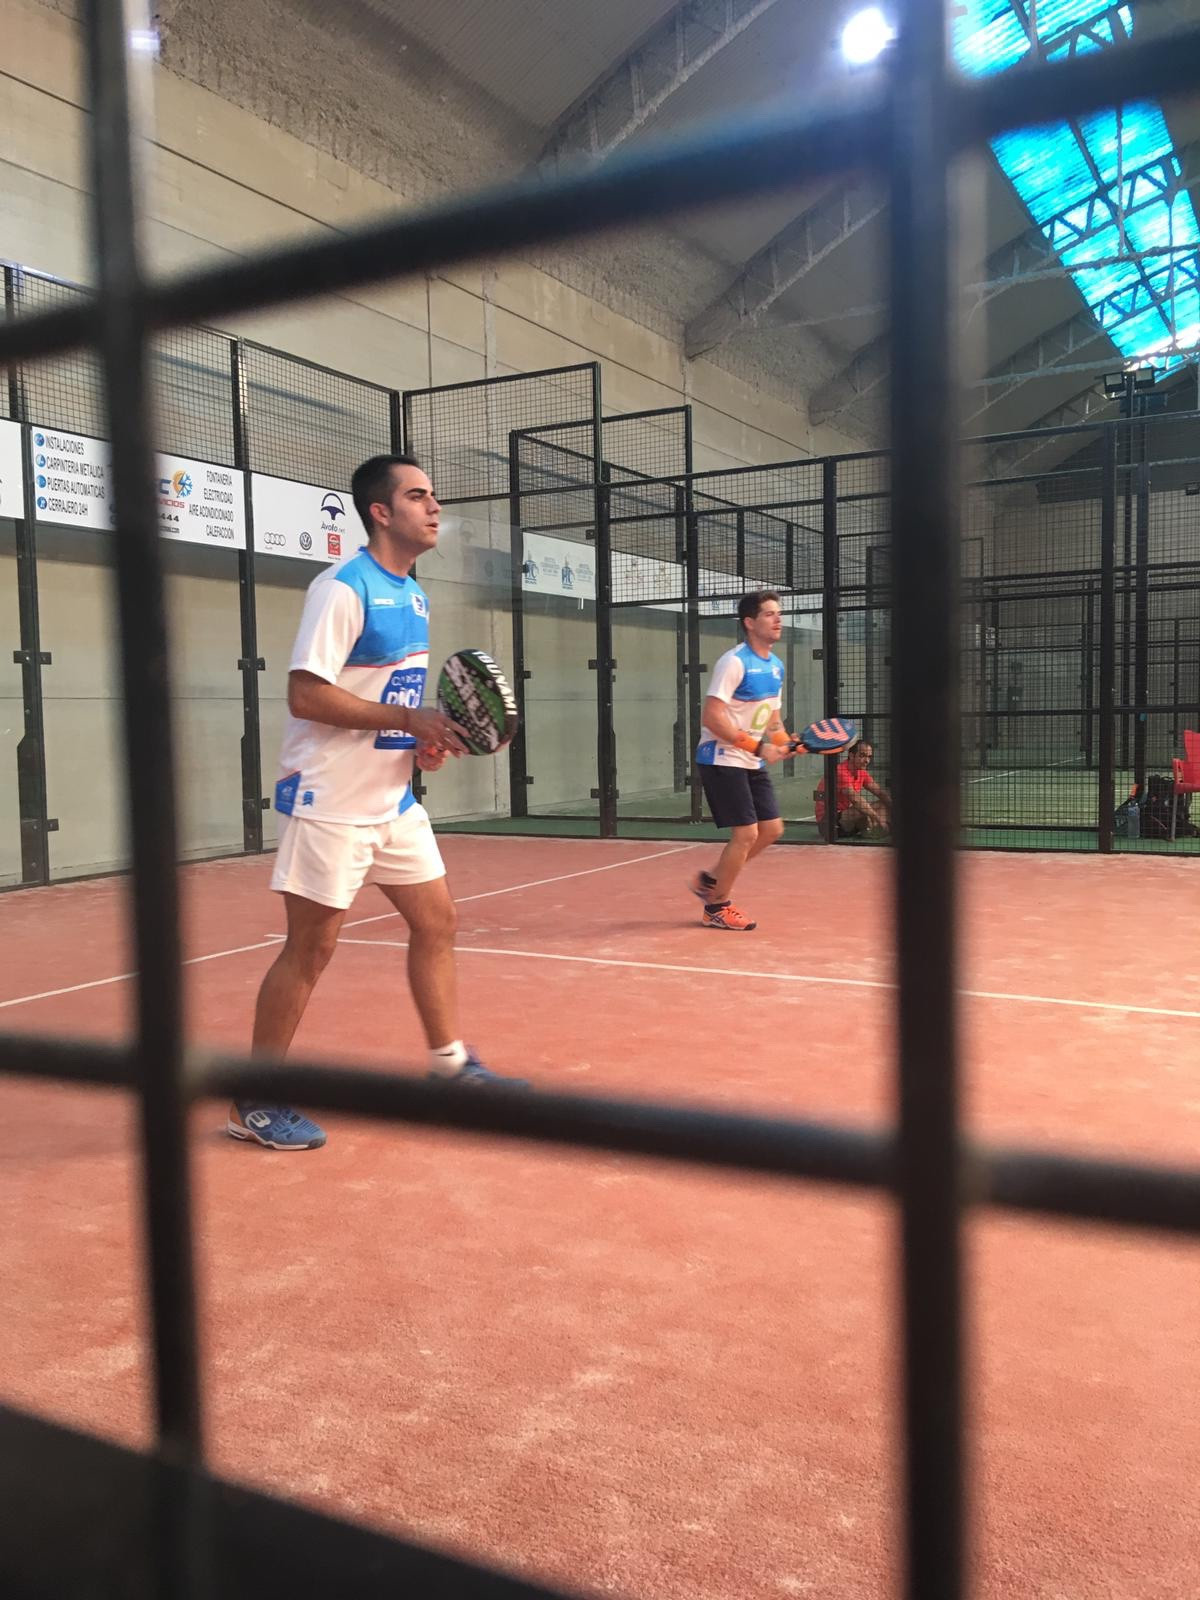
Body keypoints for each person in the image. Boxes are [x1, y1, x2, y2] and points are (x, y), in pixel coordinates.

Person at [229, 454, 526, 1152]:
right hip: (329, 800)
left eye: (434, 496)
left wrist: (418, 742)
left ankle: (448, 1067)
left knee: (438, 923)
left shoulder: (413, 594)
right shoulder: (343, 587)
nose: (434, 507)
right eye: (418, 496)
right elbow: (306, 694)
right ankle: (255, 1098)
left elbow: (390, 699)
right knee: (311, 948)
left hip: (391, 802)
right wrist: (407, 719)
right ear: (381, 512)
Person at [688, 590, 792, 931]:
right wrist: (759, 748)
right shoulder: (733, 662)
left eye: (778, 613)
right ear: (749, 622)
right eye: (769, 614)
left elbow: (773, 720)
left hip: (748, 758)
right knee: (746, 833)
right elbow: (712, 717)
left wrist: (786, 744)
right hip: (720, 756)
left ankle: (712, 881)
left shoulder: (776, 666)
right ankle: (716, 906)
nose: (778, 619)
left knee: (772, 829)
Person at [814, 741, 891, 836]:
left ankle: (875, 829)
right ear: (851, 756)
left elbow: (880, 793)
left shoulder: (861, 772)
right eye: (862, 756)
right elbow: (856, 800)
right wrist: (878, 819)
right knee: (862, 810)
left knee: (883, 804)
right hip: (828, 823)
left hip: (845, 818)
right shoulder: (840, 771)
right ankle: (874, 828)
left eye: (869, 757)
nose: (867, 760)